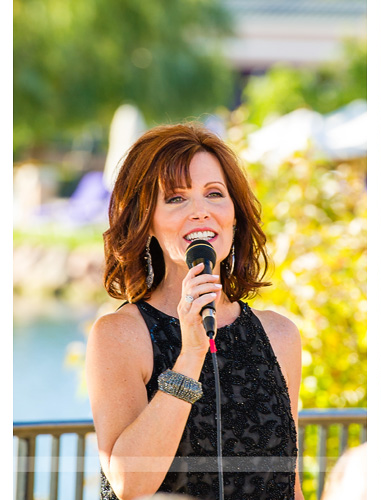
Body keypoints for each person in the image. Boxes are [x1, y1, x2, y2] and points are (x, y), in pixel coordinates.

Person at [86, 123, 304, 500]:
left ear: (234, 215)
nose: (200, 212)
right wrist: (190, 355)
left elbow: (290, 485)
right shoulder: (119, 335)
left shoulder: (280, 336)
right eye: (176, 198)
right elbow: (129, 484)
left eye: (214, 194)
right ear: (146, 220)